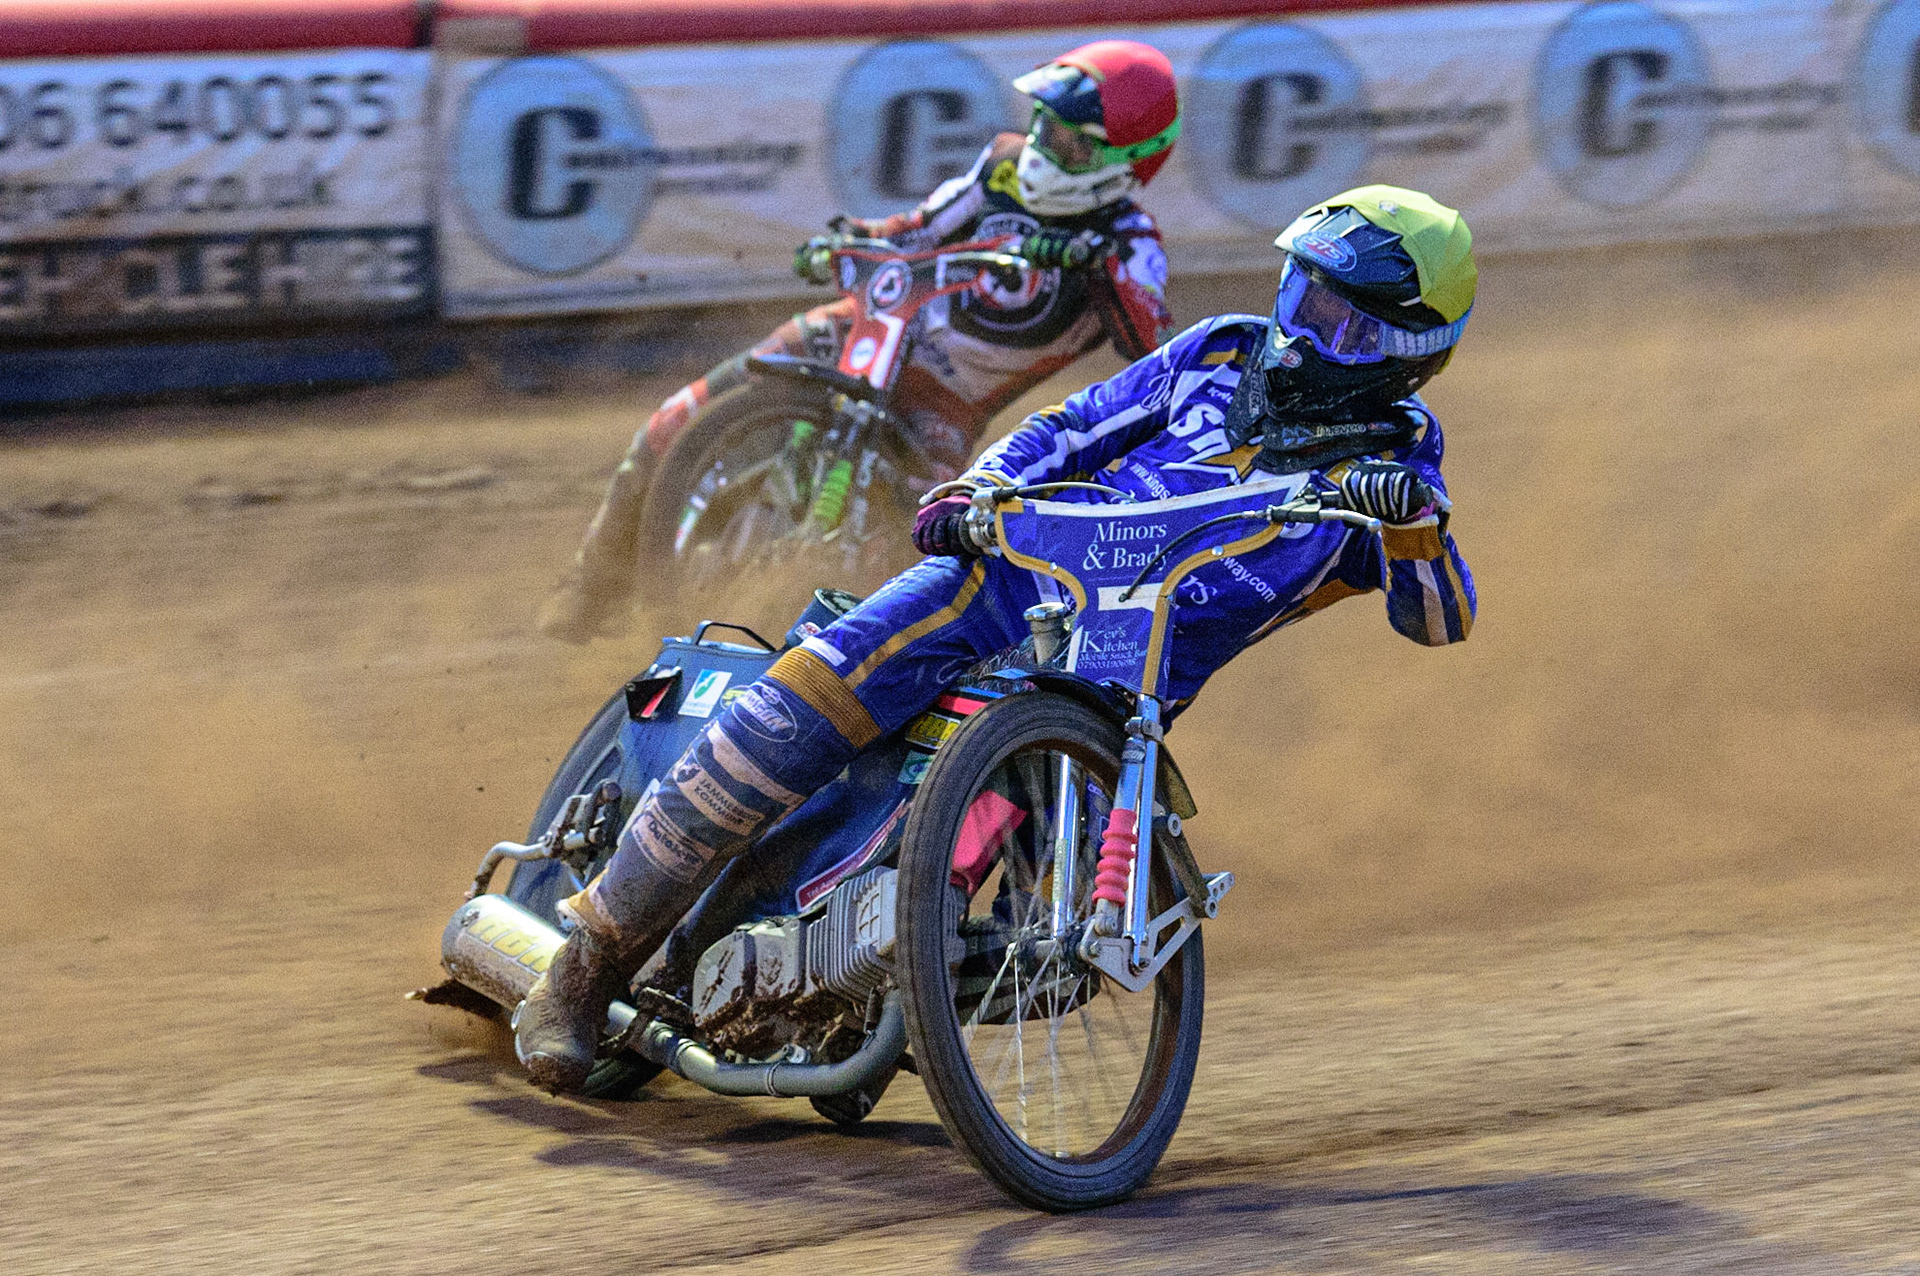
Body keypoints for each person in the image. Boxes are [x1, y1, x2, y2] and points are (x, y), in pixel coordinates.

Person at [516, 184, 1480, 1092]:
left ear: (1408, 351)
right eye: (1299, 295)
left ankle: (866, 994)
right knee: (797, 710)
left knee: (1019, 921)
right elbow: (1074, 427)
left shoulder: (1398, 468)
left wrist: (1411, 530)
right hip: (1002, 580)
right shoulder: (1225, 351)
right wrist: (980, 490)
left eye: (1340, 321)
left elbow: (1440, 619)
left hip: (1111, 693)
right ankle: (584, 964)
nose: (1301, 332)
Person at [537, 39, 1183, 643]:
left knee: (929, 547)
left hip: (946, 405)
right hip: (863, 328)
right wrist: (850, 238)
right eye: (1047, 125)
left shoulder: (1132, 242)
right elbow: (919, 228)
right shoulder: (1004, 165)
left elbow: (1150, 338)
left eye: (1073, 142)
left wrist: (1095, 261)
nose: (1049, 146)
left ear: (1125, 163)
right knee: (674, 421)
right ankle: (590, 588)